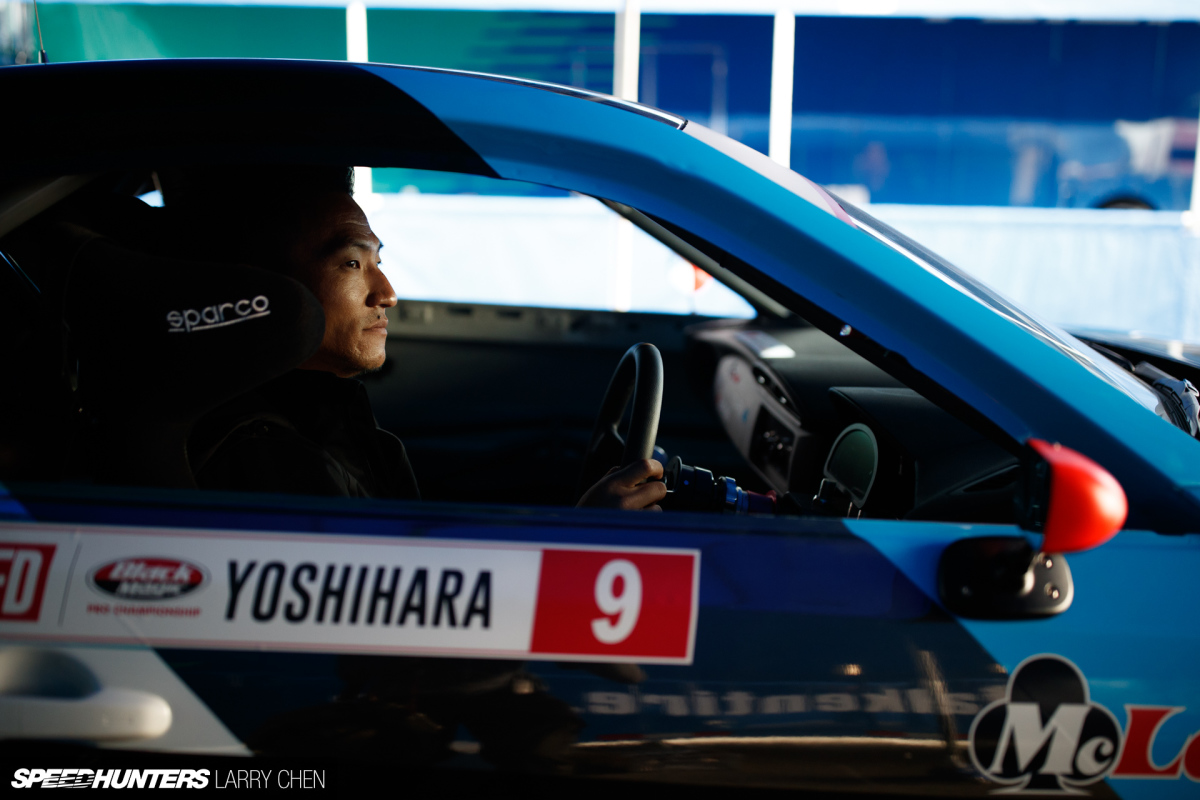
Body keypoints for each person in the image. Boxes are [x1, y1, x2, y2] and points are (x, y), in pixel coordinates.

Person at [185, 167, 667, 511]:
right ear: (268, 287)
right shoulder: (274, 462)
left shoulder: (341, 425)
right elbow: (400, 624)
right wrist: (583, 544)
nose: (388, 293)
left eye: (379, 261)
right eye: (353, 264)